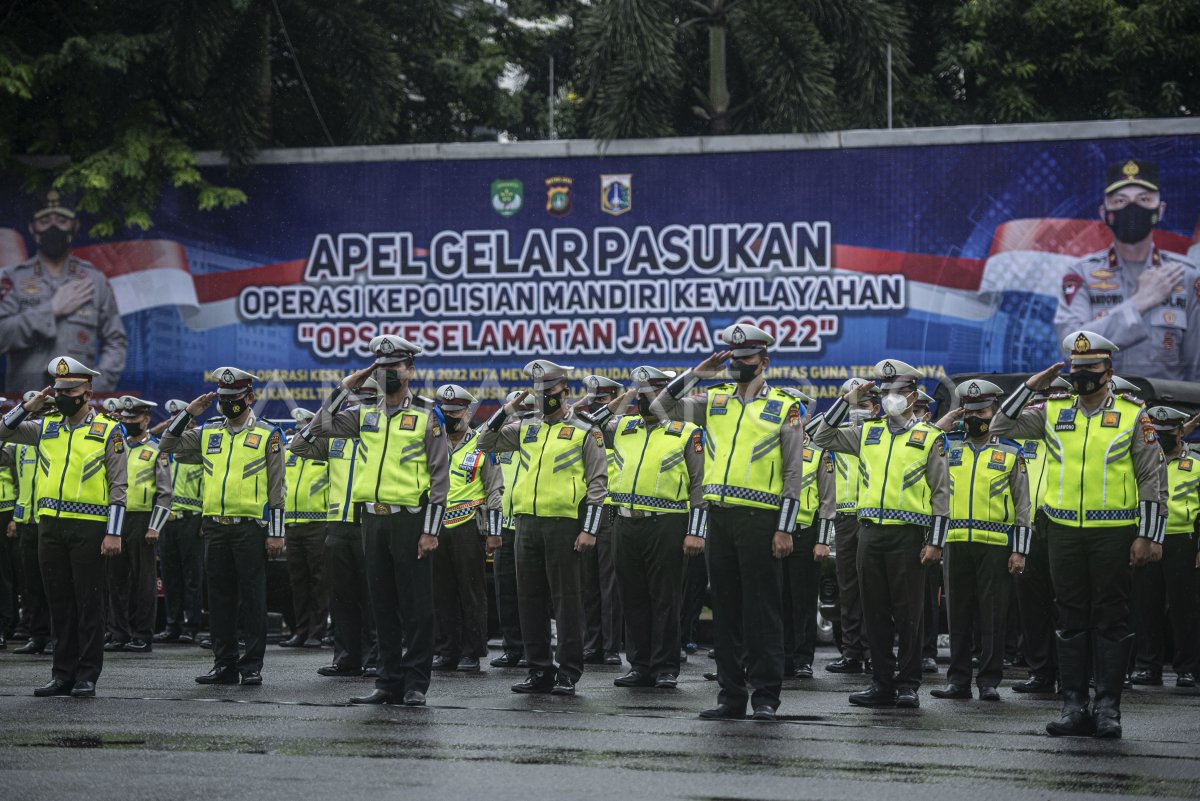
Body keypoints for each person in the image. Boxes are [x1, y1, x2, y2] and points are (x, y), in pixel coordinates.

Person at [989, 330, 1161, 738]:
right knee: (1069, 619)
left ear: (1108, 372)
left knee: (1111, 621)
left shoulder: (1134, 415)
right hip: (1063, 531)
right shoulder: (1052, 410)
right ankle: (1072, 707)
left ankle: (1107, 709)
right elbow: (1000, 424)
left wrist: (1149, 536)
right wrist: (1032, 386)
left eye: (1091, 369)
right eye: (1076, 369)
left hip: (1114, 532)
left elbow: (1152, 479)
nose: (1082, 376)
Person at [652, 324, 806, 721]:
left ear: (764, 362)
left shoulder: (785, 408)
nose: (738, 365)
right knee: (726, 611)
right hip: (719, 519)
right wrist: (698, 374)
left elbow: (793, 475)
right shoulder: (715, 401)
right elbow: (660, 408)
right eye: (733, 360)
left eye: (746, 361)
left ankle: (767, 697)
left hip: (761, 520)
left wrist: (784, 527)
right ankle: (731, 697)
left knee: (763, 612)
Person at [307, 336, 449, 707]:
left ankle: (416, 683)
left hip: (411, 522)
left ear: (410, 371)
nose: (388, 373)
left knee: (416, 606)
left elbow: (439, 478)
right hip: (372, 519)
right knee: (381, 605)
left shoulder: (425, 415)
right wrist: (346, 386)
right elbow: (321, 427)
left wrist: (431, 530)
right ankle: (387, 682)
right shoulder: (364, 414)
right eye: (382, 368)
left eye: (394, 367)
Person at [812, 359, 950, 710]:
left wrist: (936, 542)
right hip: (868, 534)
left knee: (908, 615)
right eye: (885, 391)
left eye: (898, 391)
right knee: (873, 612)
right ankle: (882, 683)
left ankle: (907, 685)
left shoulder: (930, 437)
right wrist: (847, 400)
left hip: (909, 537)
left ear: (913, 394)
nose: (891, 397)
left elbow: (941, 495)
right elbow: (821, 436)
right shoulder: (869, 433)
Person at [477, 359, 607, 697]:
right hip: (526, 525)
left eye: (548, 391)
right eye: (538, 391)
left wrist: (589, 530)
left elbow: (598, 485)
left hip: (566, 526)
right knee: (529, 600)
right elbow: (484, 443)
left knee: (567, 602)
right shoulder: (525, 427)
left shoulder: (585, 428)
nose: (543, 396)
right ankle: (539, 670)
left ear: (564, 390)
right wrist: (505, 410)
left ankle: (568, 672)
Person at [0, 356, 127, 697]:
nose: (63, 396)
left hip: (90, 527)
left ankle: (87, 675)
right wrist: (28, 406)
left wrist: (114, 532)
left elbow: (119, 487)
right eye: (58, 390)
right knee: (59, 603)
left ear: (88, 392)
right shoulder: (46, 428)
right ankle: (62, 674)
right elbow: (2, 431)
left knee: (88, 603)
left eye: (70, 390)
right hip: (50, 527)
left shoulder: (109, 431)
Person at [159, 366, 286, 687]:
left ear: (250, 398)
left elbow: (277, 488)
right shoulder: (208, 433)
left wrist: (276, 532)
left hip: (250, 528)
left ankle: (252, 665)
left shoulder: (267, 434)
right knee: (218, 599)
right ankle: (224, 664)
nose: (230, 403)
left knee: (253, 599)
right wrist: (189, 413)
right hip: (214, 528)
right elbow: (167, 444)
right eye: (224, 398)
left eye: (236, 398)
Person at [589, 366, 706, 689]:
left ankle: (666, 666)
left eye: (650, 395)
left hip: (667, 521)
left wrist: (696, 531)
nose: (644, 402)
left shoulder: (686, 431)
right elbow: (587, 424)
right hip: (624, 521)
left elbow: (699, 485)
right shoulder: (624, 427)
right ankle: (639, 665)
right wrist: (620, 400)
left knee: (665, 597)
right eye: (640, 396)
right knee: (632, 596)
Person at [929, 380, 1030, 701]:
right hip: (955, 543)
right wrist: (939, 424)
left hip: (996, 545)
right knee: (957, 614)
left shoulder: (1012, 451)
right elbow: (916, 447)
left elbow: (1023, 505)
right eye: (970, 412)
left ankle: (988, 681)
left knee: (993, 615)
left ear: (995, 412)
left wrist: (1020, 550)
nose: (976, 418)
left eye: (982, 411)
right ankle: (957, 681)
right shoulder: (948, 445)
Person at [1054, 160, 1200, 381]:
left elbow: (1196, 368)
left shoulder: (1185, 276)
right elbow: (1071, 348)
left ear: (1160, 210)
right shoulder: (1081, 274)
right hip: (1102, 407)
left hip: (1169, 410)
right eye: (1120, 201)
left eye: (1144, 199)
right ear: (1105, 213)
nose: (1132, 208)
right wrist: (1138, 303)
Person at [0, 191, 127, 392]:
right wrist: (51, 310)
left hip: (78, 405)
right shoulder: (12, 279)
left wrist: (96, 388)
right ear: (33, 229)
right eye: (44, 221)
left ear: (74, 226)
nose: (53, 228)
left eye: (61, 220)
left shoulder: (94, 280)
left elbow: (115, 342)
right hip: (25, 404)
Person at [431, 384, 502, 673]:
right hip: (437, 524)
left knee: (471, 591)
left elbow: (495, 488)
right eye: (446, 412)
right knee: (441, 591)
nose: (451, 417)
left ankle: (472, 652)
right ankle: (446, 650)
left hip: (468, 523)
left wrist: (494, 533)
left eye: (456, 412)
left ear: (468, 412)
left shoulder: (482, 443)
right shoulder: (432, 442)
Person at [1130, 405, 1197, 688]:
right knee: (1146, 606)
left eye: (1167, 433)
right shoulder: (1142, 460)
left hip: (1182, 540)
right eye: (1156, 433)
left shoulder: (1196, 462)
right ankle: (1148, 666)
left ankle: (1188, 669)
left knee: (1186, 609)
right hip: (1145, 538)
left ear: (1181, 431)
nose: (1161, 438)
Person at [1012, 376, 1071, 694]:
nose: (1049, 404)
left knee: (1066, 604)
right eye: (1045, 398)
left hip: (1062, 524)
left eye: (1057, 397)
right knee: (1031, 604)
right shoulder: (1026, 438)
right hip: (1028, 526)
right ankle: (1040, 672)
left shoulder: (1069, 437)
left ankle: (1070, 672)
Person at [105, 396, 171, 654]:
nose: (129, 422)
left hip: (143, 520)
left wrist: (154, 526)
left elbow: (165, 493)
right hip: (116, 518)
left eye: (134, 418)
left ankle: (143, 635)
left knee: (144, 583)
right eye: (126, 418)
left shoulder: (157, 450)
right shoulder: (116, 447)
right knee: (115, 579)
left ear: (146, 419)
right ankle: (118, 633)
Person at [782, 390, 836, 680]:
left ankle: (802, 659)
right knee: (775, 601)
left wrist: (822, 540)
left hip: (804, 535)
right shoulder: (770, 450)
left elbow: (828, 503)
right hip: (774, 535)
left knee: (803, 601)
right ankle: (780, 656)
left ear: (805, 419)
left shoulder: (818, 454)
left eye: (797, 414)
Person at [825, 377, 876, 674]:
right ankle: (851, 652)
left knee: (873, 590)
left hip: (871, 518)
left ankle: (873, 652)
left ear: (876, 407)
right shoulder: (838, 436)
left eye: (864, 404)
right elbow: (816, 433)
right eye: (851, 403)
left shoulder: (880, 435)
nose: (857, 410)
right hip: (844, 518)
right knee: (848, 589)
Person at [578, 374, 625, 666]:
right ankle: (591, 643)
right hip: (585, 509)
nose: (595, 407)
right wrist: (584, 404)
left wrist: (603, 408)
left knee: (610, 584)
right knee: (587, 582)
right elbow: (585, 419)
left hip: (609, 511)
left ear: (614, 401)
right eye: (592, 400)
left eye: (602, 401)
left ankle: (610, 647)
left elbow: (597, 420)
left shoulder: (622, 426)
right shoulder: (584, 428)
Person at [151, 398, 205, 645]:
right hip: (166, 520)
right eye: (172, 420)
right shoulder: (163, 451)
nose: (176, 423)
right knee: (170, 576)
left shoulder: (199, 450)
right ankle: (173, 625)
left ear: (192, 422)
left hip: (192, 520)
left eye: (182, 419)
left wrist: (205, 518)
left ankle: (191, 626)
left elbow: (210, 487)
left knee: (192, 577)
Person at [489, 390, 536, 669]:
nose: (522, 417)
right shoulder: (501, 440)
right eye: (518, 412)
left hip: (530, 523)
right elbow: (482, 436)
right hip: (504, 526)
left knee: (531, 592)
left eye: (528, 411)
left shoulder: (541, 438)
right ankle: (512, 647)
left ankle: (533, 649)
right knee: (504, 591)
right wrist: (505, 413)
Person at [4, 390, 53, 654]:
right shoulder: (19, 445)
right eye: (35, 413)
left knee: (55, 584)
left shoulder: (56, 440)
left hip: (51, 520)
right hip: (25, 522)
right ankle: (37, 635)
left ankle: (58, 636)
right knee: (30, 584)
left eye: (43, 412)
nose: (38, 418)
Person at [280, 407, 330, 648]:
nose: (300, 432)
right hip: (292, 524)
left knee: (320, 581)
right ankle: (300, 630)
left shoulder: (323, 452)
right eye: (298, 428)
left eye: (305, 427)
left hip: (319, 523)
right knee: (297, 581)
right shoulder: (289, 454)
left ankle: (317, 632)